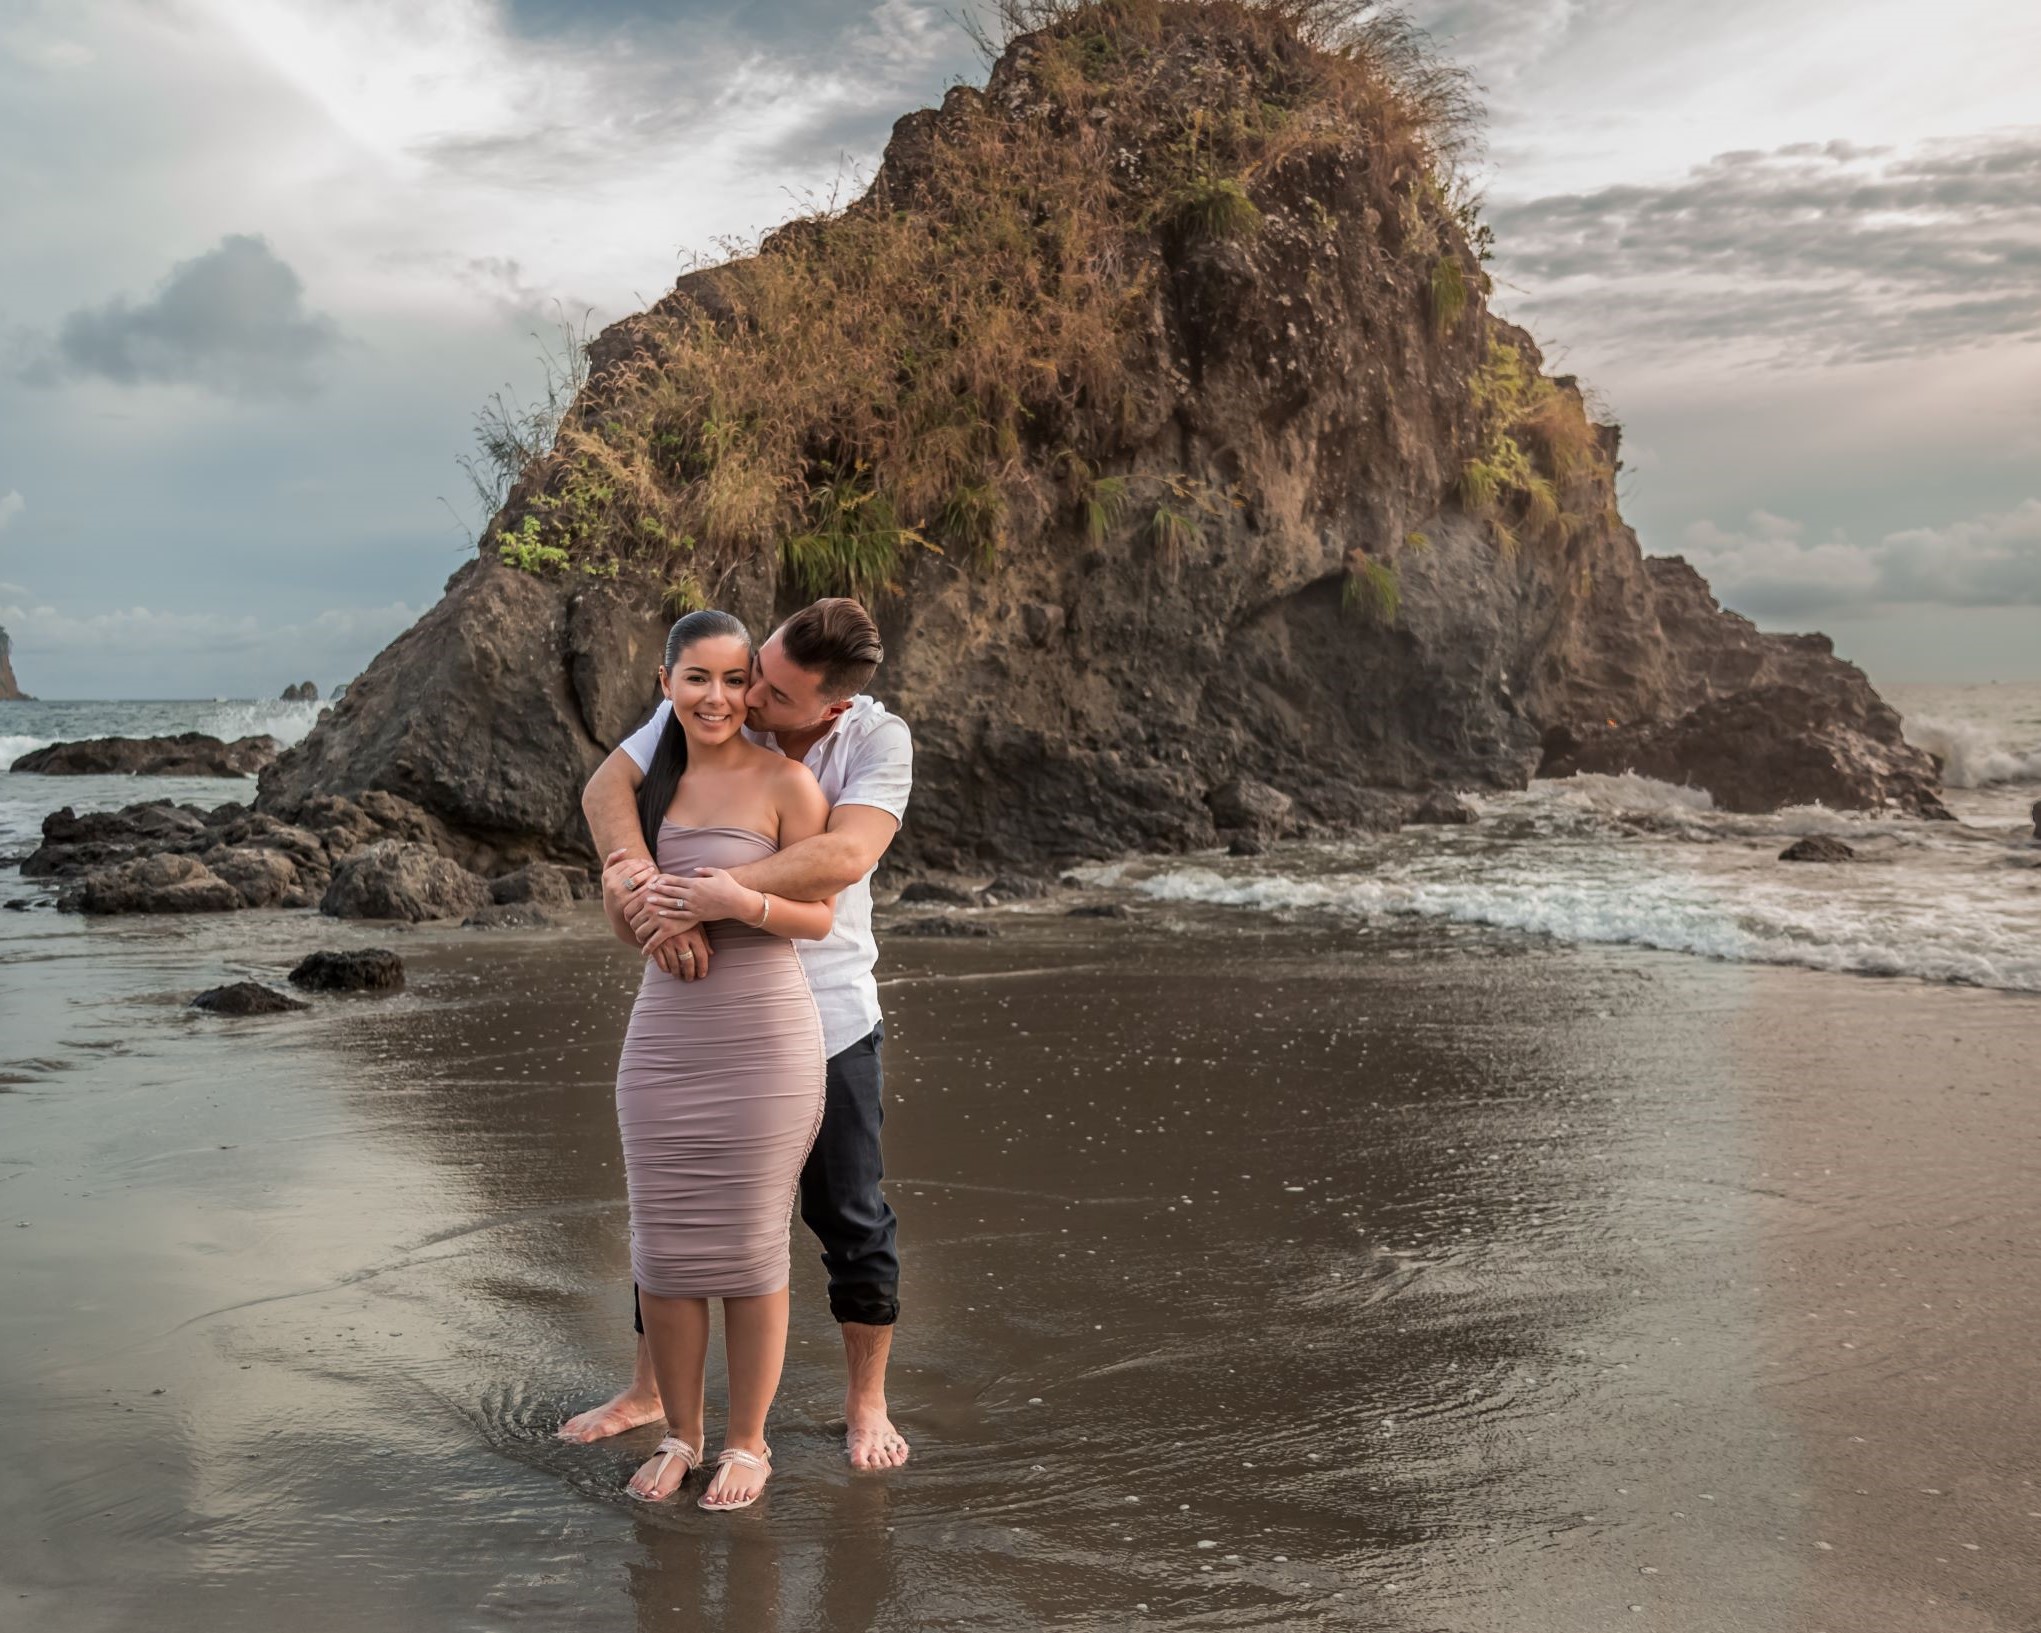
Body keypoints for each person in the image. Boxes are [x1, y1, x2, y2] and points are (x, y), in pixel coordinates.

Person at [562, 596, 915, 1473]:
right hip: (692, 1012)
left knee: (847, 1215)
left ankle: (864, 1400)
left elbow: (841, 859)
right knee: (672, 1212)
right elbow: (610, 788)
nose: (746, 697)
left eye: (771, 690)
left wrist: (721, 896)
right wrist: (639, 889)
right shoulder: (710, 699)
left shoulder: (874, 742)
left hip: (824, 1018)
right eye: (751, 669)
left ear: (828, 709)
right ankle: (653, 1394)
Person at [603, 609, 836, 1509]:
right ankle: (679, 1433)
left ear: (753, 688)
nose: (717, 696)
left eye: (735, 679)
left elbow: (820, 914)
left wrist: (736, 899)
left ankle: (746, 1443)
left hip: (764, 1034)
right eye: (697, 677)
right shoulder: (648, 791)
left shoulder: (787, 783)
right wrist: (646, 915)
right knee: (662, 1249)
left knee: (748, 1246)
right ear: (664, 684)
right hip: (664, 1036)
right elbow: (623, 922)